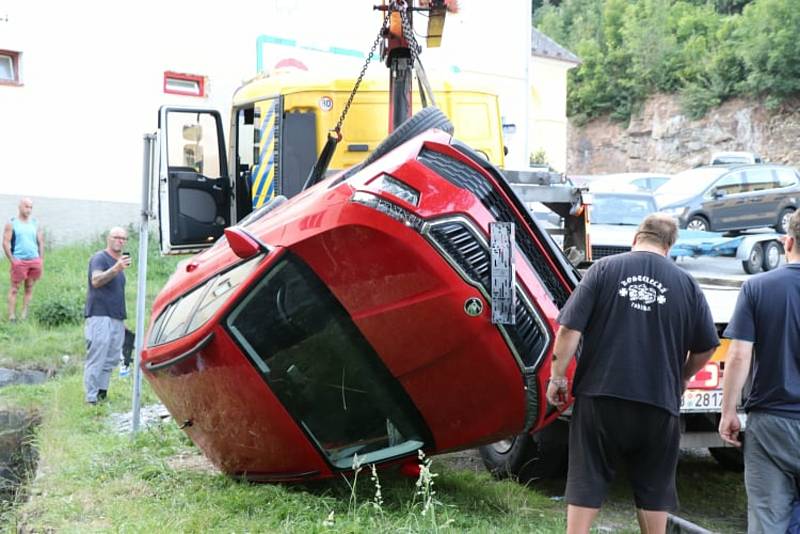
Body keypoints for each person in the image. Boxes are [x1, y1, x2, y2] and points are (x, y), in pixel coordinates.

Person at [546, 213, 719, 534]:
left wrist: (558, 377)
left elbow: (569, 329)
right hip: (659, 401)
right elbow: (707, 346)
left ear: (636, 237)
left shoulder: (604, 269)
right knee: (654, 489)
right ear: (670, 246)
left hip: (601, 396)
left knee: (587, 480)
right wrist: (681, 377)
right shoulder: (687, 285)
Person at [719, 209, 800, 533]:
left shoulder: (758, 287)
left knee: (767, 520)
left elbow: (739, 356)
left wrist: (728, 412)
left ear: (788, 241)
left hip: (771, 423)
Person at [84, 227, 131, 405]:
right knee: (97, 356)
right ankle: (90, 399)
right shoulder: (100, 258)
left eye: (123, 238)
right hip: (99, 314)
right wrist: (116, 268)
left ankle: (101, 396)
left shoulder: (118, 263)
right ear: (108, 239)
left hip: (116, 317)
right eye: (116, 237)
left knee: (111, 358)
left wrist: (121, 320)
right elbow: (96, 281)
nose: (120, 240)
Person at [3, 197, 44, 322]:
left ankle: (24, 315)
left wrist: (40, 259)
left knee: (29, 287)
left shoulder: (35, 223)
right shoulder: (12, 223)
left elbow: (40, 242)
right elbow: (5, 243)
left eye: (31, 207)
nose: (29, 210)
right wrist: (13, 260)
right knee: (14, 289)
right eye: (26, 206)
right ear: (20, 207)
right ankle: (11, 317)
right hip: (19, 261)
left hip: (34, 261)